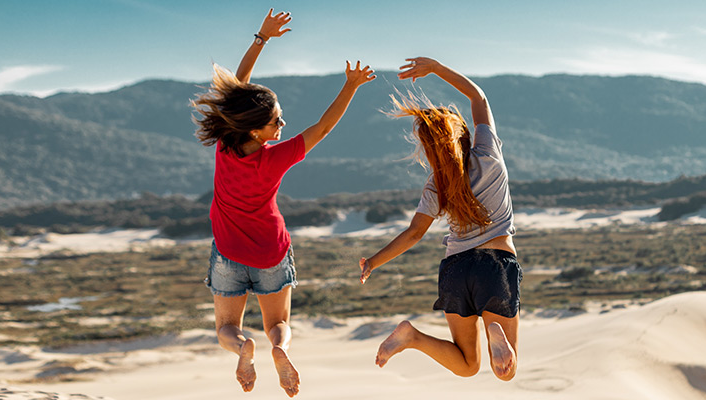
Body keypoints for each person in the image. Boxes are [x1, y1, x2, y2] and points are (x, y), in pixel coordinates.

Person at [191, 9, 375, 397]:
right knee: (278, 324)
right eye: (277, 122)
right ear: (256, 130)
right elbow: (323, 127)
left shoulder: (226, 145)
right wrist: (351, 86)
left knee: (226, 328)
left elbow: (236, 88)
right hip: (271, 253)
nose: (282, 127)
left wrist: (261, 37)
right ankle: (278, 349)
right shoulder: (275, 157)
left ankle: (243, 348)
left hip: (228, 254)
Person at [358, 57, 521, 381]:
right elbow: (478, 98)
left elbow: (414, 233)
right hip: (496, 265)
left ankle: (412, 337)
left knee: (467, 365)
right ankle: (495, 331)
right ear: (462, 133)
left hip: (455, 270)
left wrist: (373, 262)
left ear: (430, 151)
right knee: (504, 373)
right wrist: (435, 68)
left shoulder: (436, 183)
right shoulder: (487, 153)